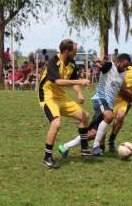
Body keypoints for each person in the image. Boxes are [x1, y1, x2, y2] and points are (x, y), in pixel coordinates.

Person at [58, 57, 132, 156]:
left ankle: (67, 146)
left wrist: (121, 90)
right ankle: (93, 146)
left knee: (100, 129)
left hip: (118, 101)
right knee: (103, 123)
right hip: (104, 100)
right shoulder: (121, 67)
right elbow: (103, 65)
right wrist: (97, 62)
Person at [38, 39, 90, 169]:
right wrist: (80, 82)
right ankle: (47, 157)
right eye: (74, 52)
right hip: (48, 97)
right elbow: (58, 81)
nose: (75, 55)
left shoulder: (71, 63)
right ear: (66, 51)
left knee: (84, 116)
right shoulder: (53, 62)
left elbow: (73, 81)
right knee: (56, 124)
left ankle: (84, 149)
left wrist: (79, 93)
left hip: (61, 97)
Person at [88, 53, 131, 156]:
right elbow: (100, 65)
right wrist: (96, 61)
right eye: (123, 65)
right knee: (109, 116)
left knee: (93, 133)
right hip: (101, 100)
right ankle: (96, 146)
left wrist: (129, 97)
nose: (124, 68)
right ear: (118, 61)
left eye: (126, 66)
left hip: (109, 105)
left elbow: (121, 88)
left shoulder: (123, 73)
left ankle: (66, 146)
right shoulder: (110, 66)